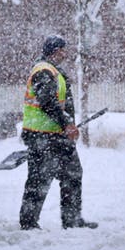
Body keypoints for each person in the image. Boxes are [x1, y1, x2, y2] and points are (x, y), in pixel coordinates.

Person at [18, 35, 97, 230]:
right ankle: (28, 223)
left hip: (57, 136)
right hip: (42, 136)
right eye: (62, 49)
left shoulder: (53, 71)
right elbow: (47, 102)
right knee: (39, 179)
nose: (65, 53)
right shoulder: (44, 71)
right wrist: (67, 124)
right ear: (55, 51)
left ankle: (72, 219)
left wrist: (66, 126)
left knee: (72, 174)